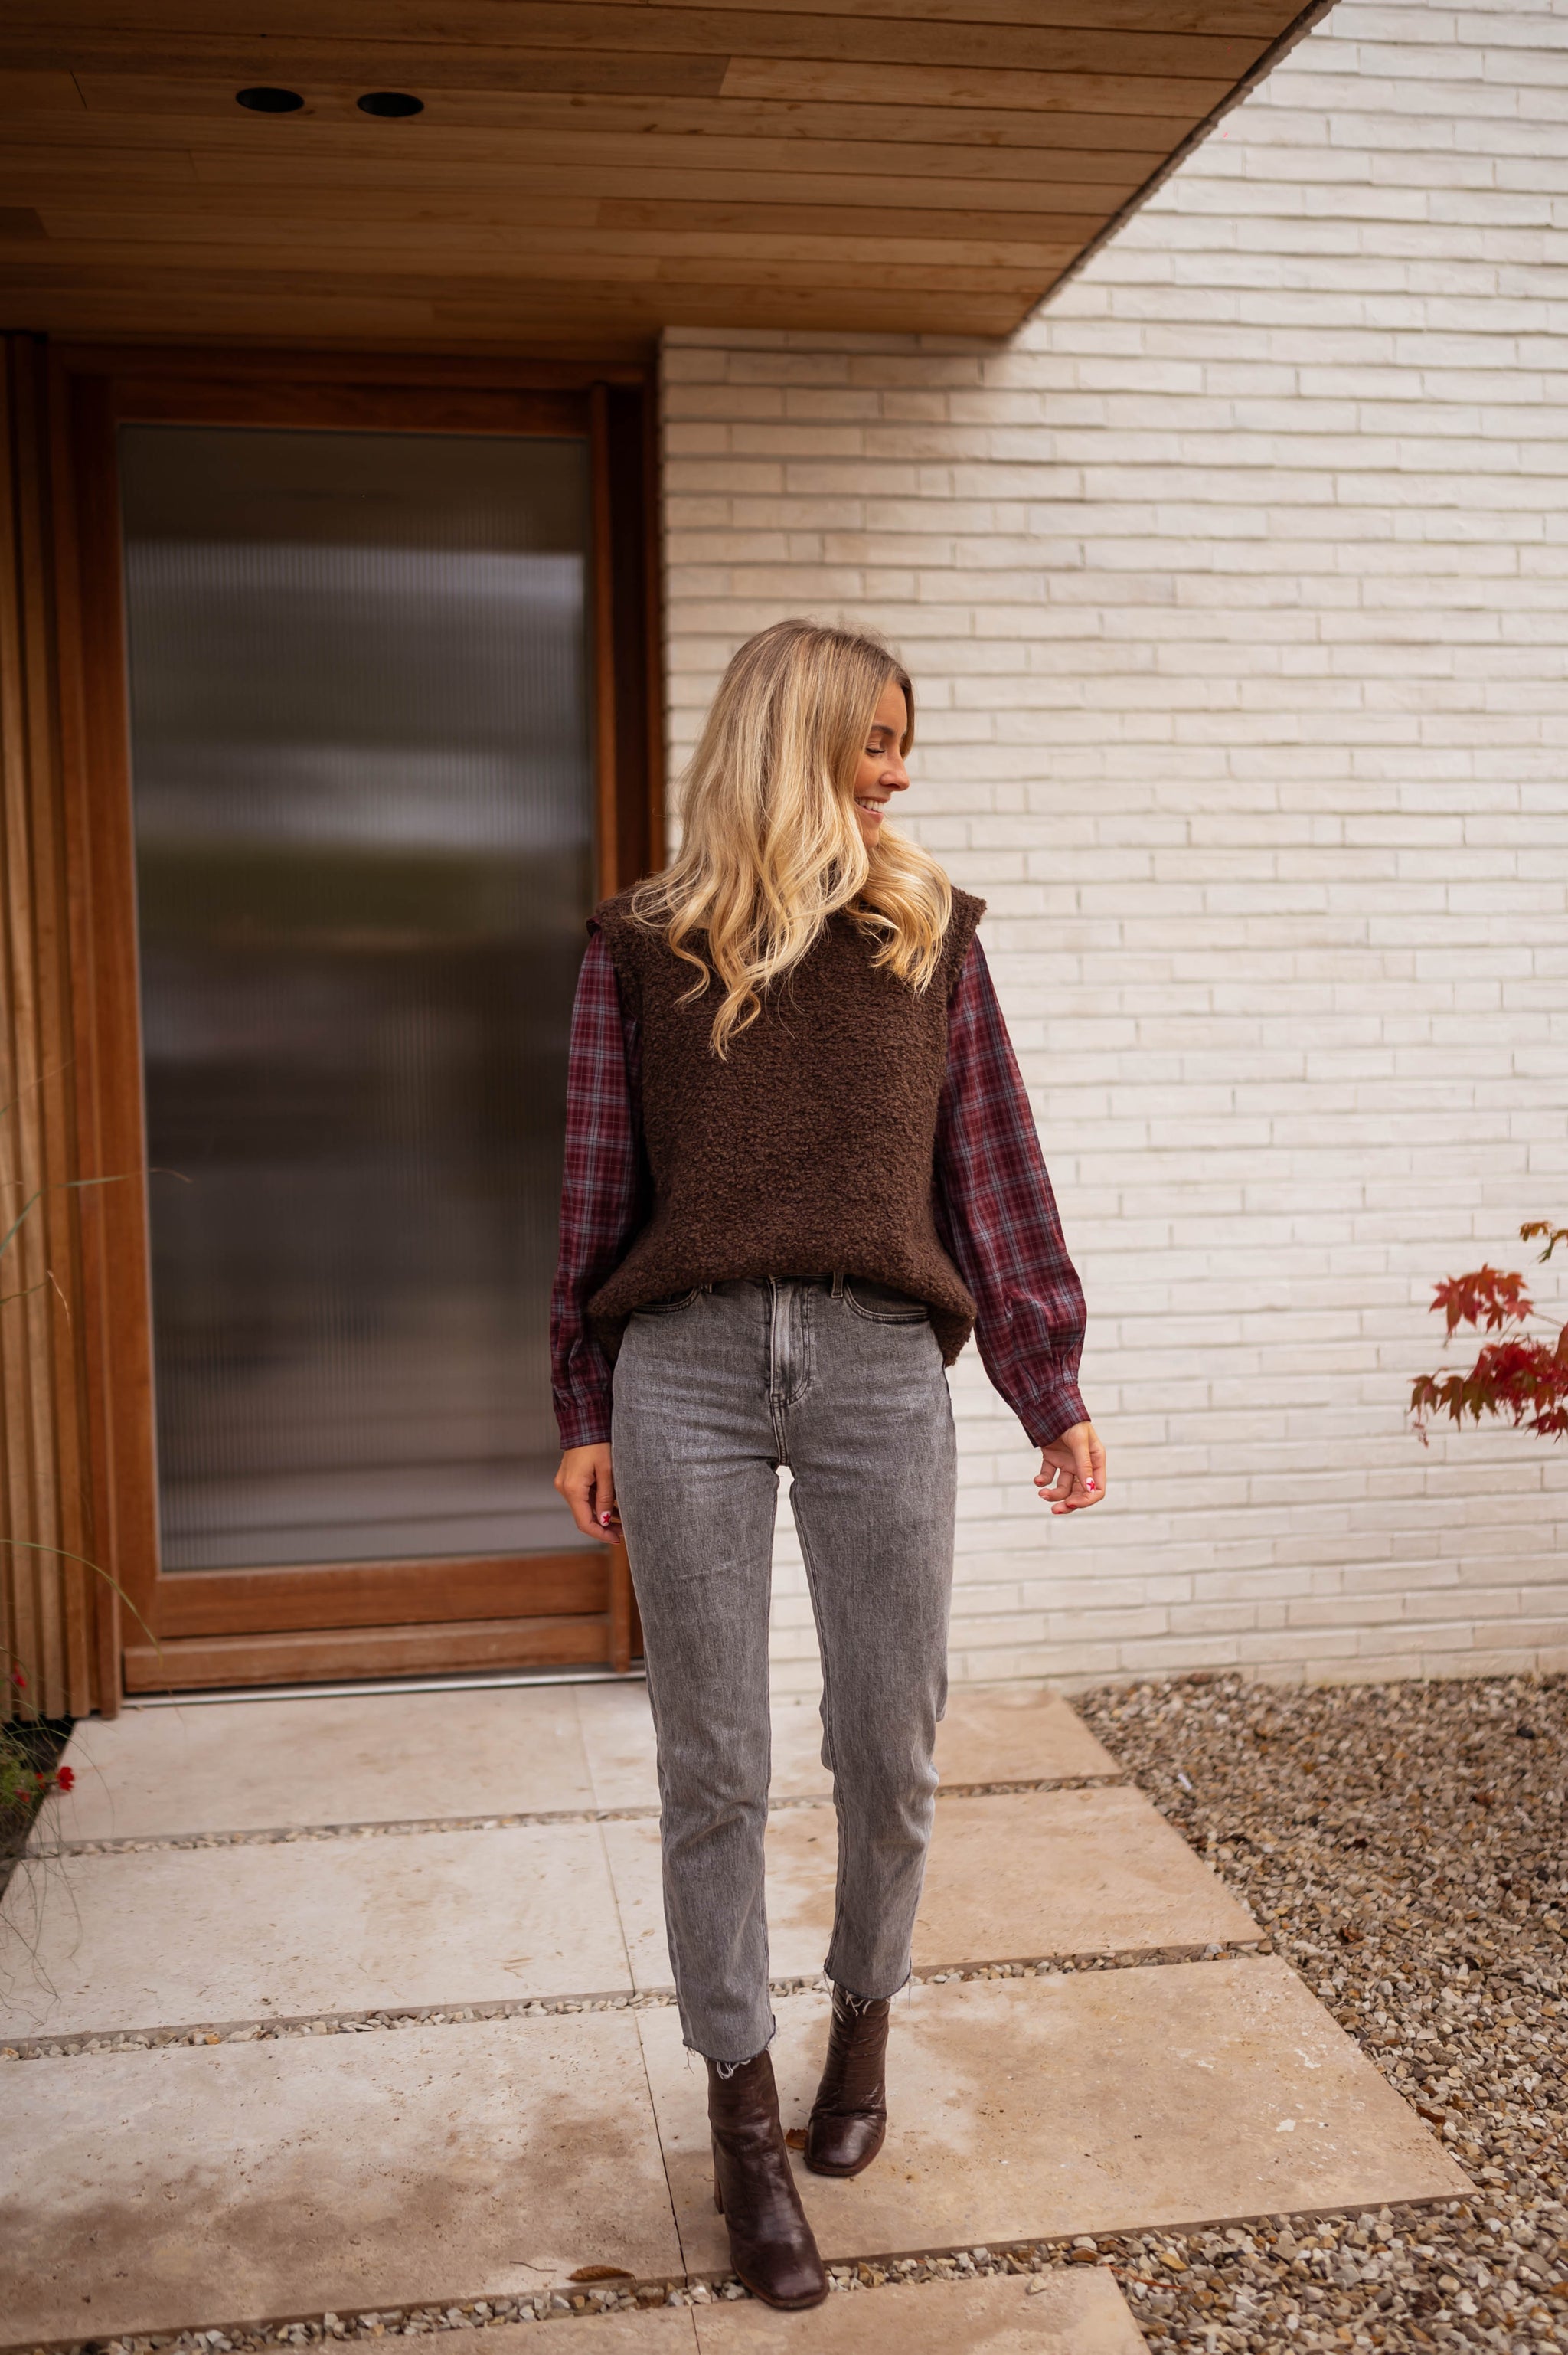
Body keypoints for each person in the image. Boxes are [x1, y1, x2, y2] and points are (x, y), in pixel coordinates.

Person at [551, 618, 1104, 2310]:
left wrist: (1047, 1379)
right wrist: (580, 1400)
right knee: (709, 1758)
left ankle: (860, 2026)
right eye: (872, 741)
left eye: (902, 741)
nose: (900, 770)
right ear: (793, 743)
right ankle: (737, 2121)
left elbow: (992, 1170)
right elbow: (589, 1186)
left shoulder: (932, 936)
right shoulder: (638, 946)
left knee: (889, 1731)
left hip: (877, 1364)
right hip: (688, 1369)